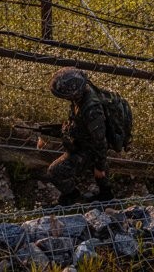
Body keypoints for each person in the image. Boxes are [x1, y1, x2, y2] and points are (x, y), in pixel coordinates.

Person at [45, 67, 114, 206]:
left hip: (89, 148)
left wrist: (99, 166)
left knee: (54, 172)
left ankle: (72, 196)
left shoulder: (92, 110)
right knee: (100, 173)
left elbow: (100, 142)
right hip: (86, 142)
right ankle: (106, 195)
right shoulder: (84, 94)